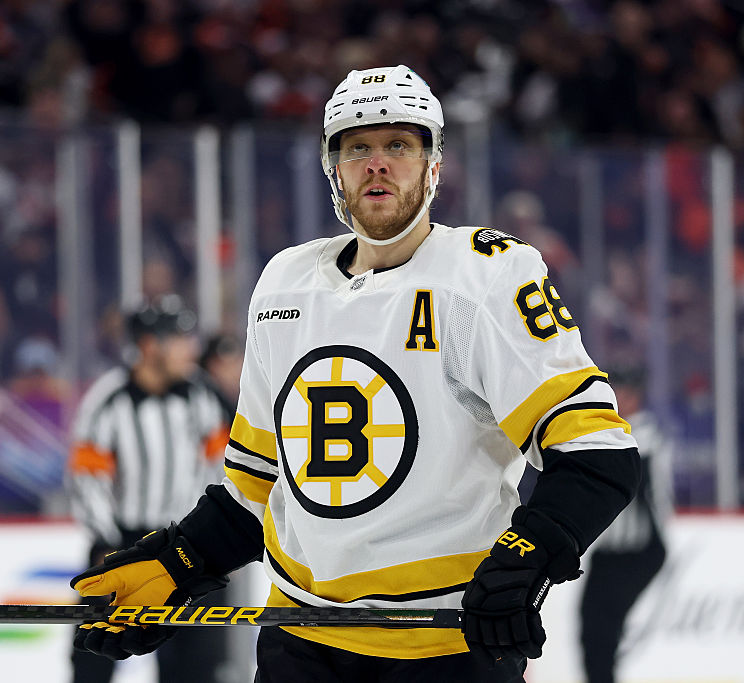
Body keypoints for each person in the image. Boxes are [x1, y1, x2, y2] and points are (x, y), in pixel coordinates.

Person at [69, 65, 641, 682]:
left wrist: (526, 559)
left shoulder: (488, 275)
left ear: (434, 164)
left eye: (399, 145)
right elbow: (256, 485)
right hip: (298, 640)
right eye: (357, 148)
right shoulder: (284, 283)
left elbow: (597, 456)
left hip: (443, 646)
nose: (378, 164)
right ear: (333, 168)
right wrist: (178, 561)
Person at [66, 296, 231, 683]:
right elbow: (87, 477)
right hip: (124, 545)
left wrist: (218, 535)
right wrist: (105, 540)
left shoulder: (202, 395)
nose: (190, 349)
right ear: (149, 345)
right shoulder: (110, 399)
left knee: (195, 665)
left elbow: (222, 468)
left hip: (187, 545)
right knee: (93, 658)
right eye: (179, 339)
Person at [579, 365, 670, 683]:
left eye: (624, 392)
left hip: (638, 551)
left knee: (603, 630)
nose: (618, 398)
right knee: (592, 631)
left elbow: (649, 494)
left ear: (636, 396)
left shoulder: (642, 435)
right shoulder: (613, 431)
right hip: (610, 554)